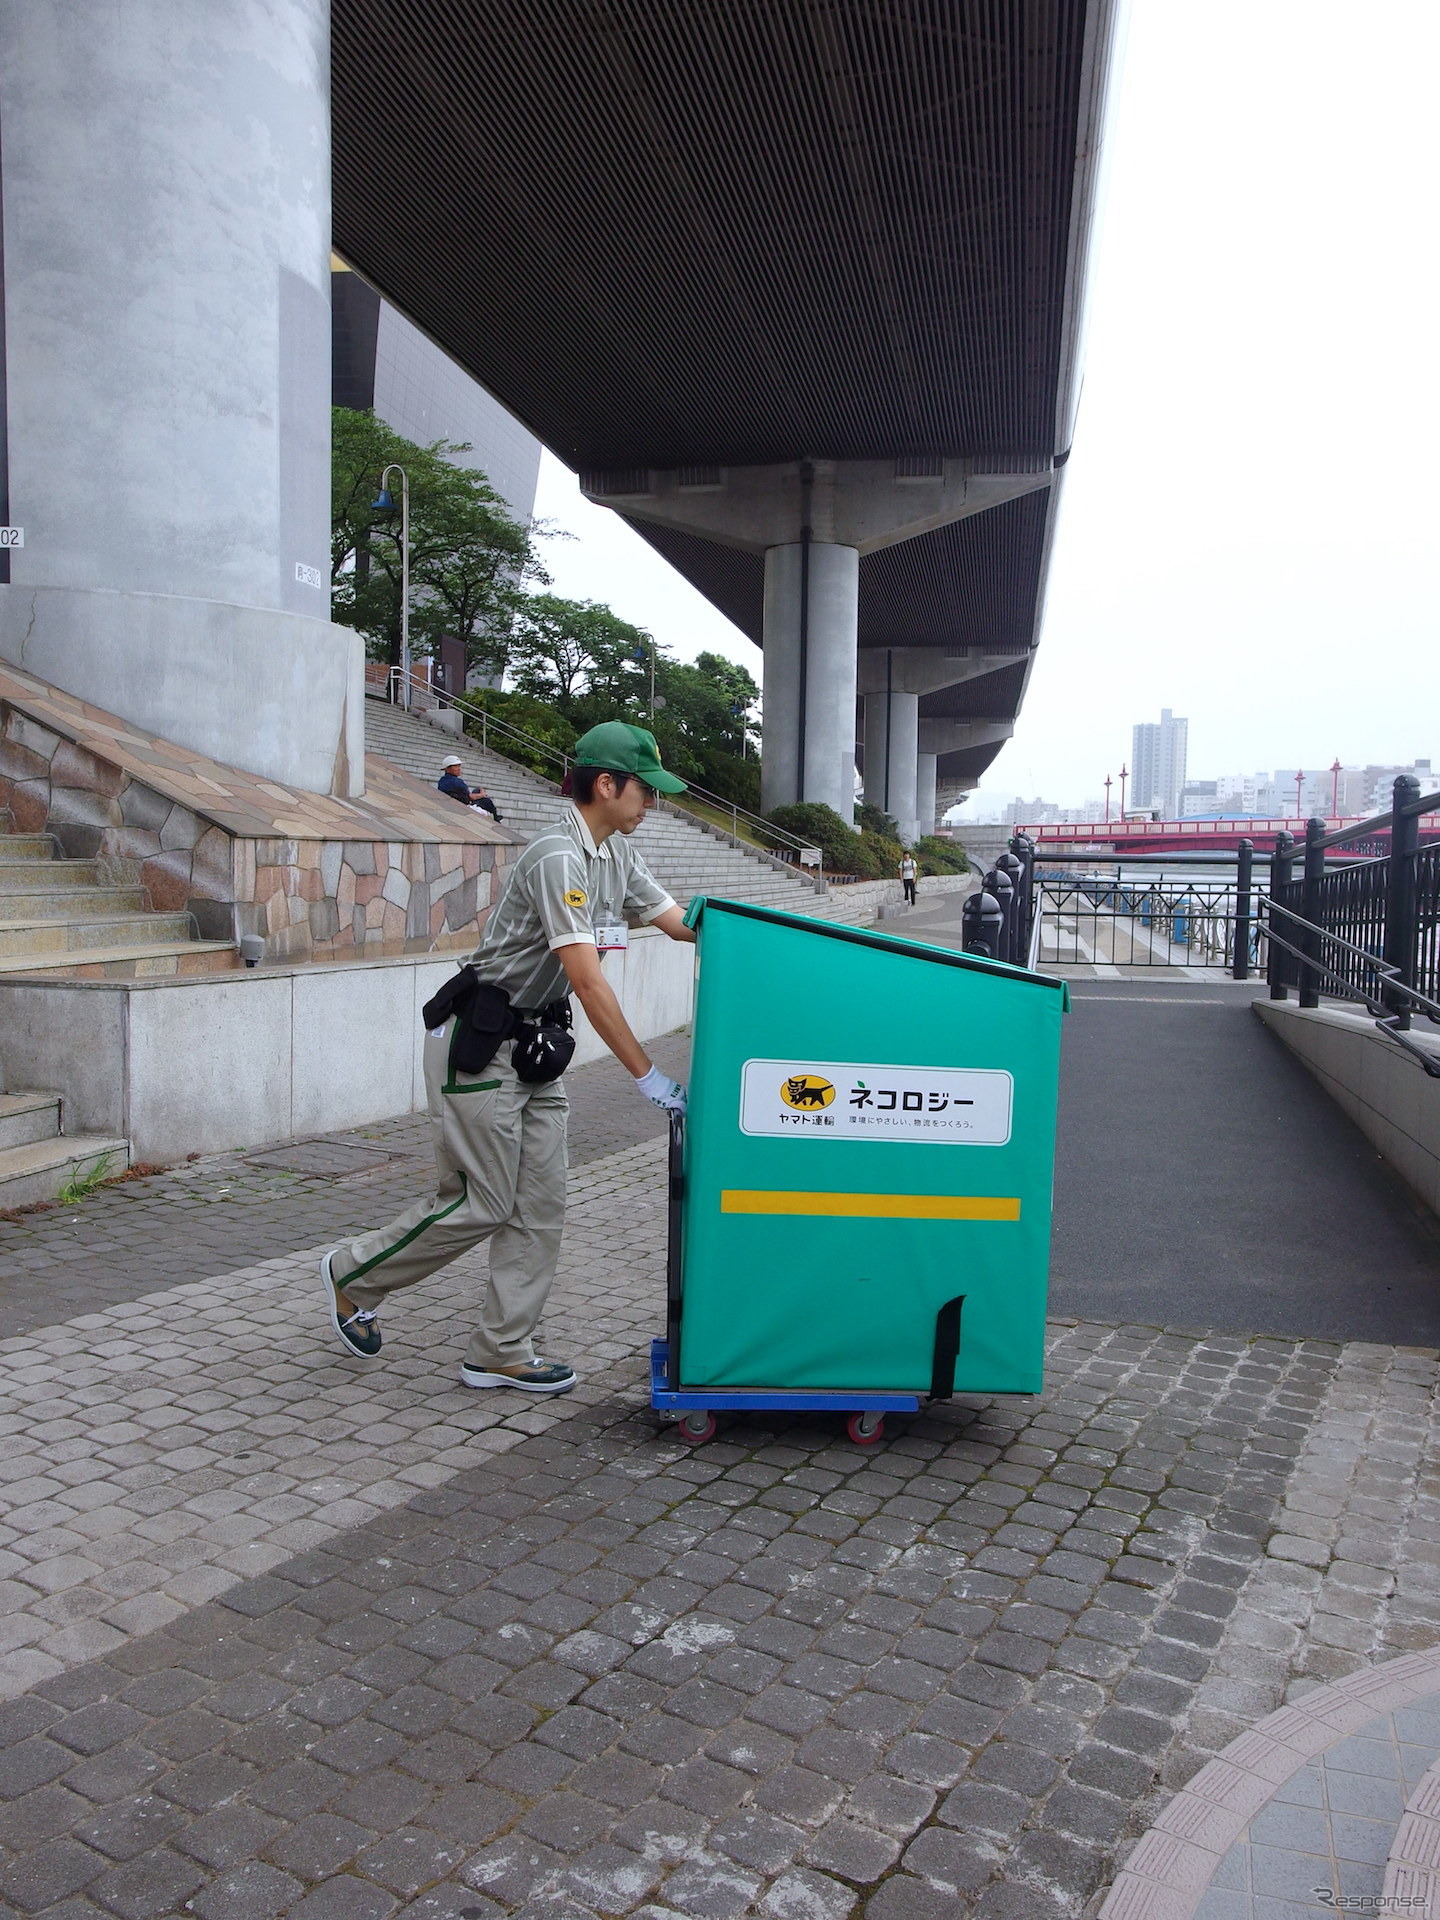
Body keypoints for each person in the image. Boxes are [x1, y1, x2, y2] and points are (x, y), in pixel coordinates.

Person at [320, 721, 694, 1395]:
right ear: (606, 785)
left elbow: (679, 921)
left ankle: (501, 1349)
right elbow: (586, 979)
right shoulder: (560, 856)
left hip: (534, 1050)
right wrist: (649, 1076)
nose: (653, 804)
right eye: (646, 790)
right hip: (483, 1046)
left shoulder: (615, 855)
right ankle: (353, 1273)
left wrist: (754, 936)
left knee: (541, 1203)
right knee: (482, 1201)